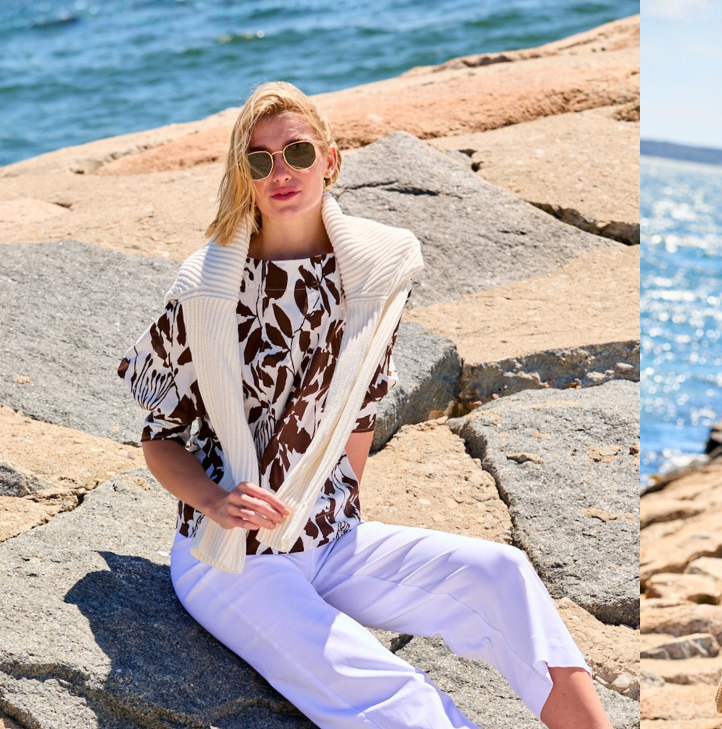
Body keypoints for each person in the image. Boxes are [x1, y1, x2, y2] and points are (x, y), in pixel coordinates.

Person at [117, 81, 612, 729]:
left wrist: (334, 505)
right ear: (246, 177)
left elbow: (361, 407)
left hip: (330, 538)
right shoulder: (206, 284)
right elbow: (159, 438)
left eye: (297, 151)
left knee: (502, 572)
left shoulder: (374, 270)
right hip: (229, 557)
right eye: (259, 161)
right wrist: (214, 501)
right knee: (393, 693)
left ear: (332, 159)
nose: (281, 172)